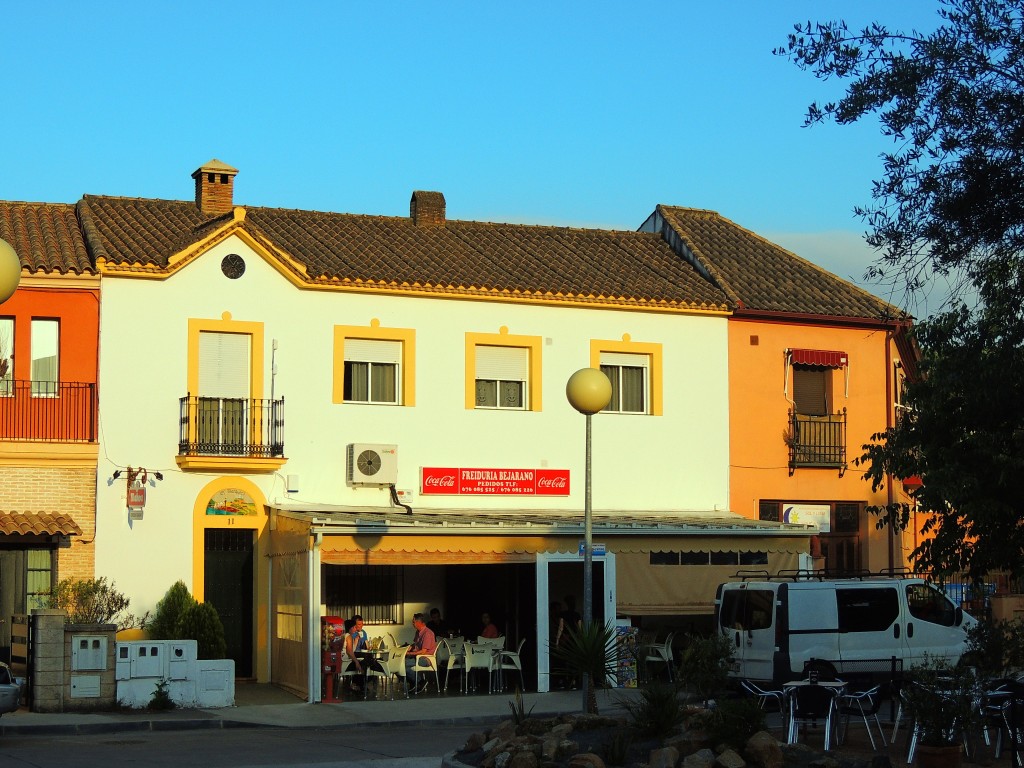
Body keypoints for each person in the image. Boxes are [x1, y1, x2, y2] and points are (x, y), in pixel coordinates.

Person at [405, 613, 437, 693]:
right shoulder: (418, 632)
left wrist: (409, 654)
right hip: (418, 656)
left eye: (414, 622)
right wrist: (408, 648)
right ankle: (414, 682)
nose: (412, 623)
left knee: (403, 664)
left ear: (420, 622)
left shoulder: (428, 633)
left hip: (426, 658)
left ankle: (420, 681)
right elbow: (415, 644)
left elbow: (423, 651)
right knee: (398, 663)